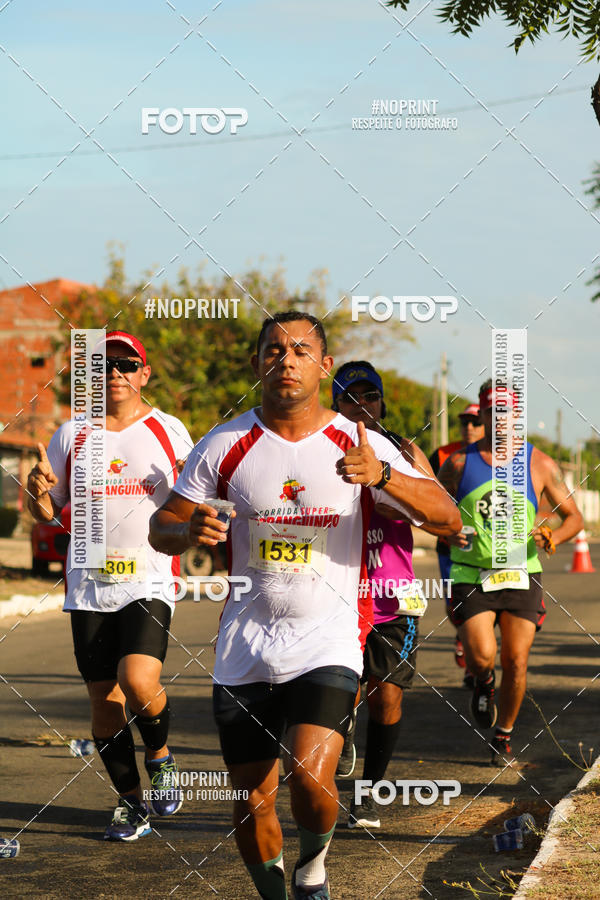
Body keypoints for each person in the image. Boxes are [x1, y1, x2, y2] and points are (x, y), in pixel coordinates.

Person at [149, 311, 461, 900]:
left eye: (299, 350)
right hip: (246, 643)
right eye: (273, 349)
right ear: (257, 363)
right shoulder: (224, 444)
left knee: (310, 778)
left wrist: (385, 478)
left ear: (322, 366)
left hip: (329, 638)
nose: (285, 360)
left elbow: (449, 519)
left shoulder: (359, 445)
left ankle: (313, 867)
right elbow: (161, 525)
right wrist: (189, 533)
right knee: (250, 804)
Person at [27, 331, 193, 841]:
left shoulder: (168, 430)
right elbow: (48, 511)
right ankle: (129, 803)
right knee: (104, 700)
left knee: (139, 681)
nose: (114, 374)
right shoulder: (70, 434)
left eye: (126, 364)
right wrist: (37, 496)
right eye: (103, 366)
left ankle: (161, 757)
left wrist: (192, 489)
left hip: (148, 576)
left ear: (144, 373)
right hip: (88, 583)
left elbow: (194, 500)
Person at [438, 379, 583, 765]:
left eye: (507, 412)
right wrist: (445, 532)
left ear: (516, 416)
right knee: (481, 656)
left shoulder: (540, 463)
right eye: (492, 412)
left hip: (522, 574)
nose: (500, 420)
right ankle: (483, 683)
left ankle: (503, 735)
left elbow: (574, 518)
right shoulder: (457, 464)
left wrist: (552, 533)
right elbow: (429, 508)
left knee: (516, 661)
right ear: (483, 416)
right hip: (473, 573)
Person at [330, 361, 438, 830]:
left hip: (393, 598)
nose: (361, 406)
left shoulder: (404, 450)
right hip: (337, 594)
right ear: (334, 402)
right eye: (350, 398)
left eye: (369, 397)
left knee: (386, 699)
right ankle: (341, 730)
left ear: (381, 402)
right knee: (338, 695)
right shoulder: (318, 446)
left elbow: (441, 512)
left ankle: (368, 795)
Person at [429, 405, 484, 685]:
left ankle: (474, 667)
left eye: (475, 422)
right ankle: (462, 634)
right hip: (448, 544)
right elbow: (426, 492)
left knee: (481, 607)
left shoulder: (494, 457)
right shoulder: (441, 454)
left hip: (485, 548)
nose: (470, 428)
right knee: (455, 605)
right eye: (465, 422)